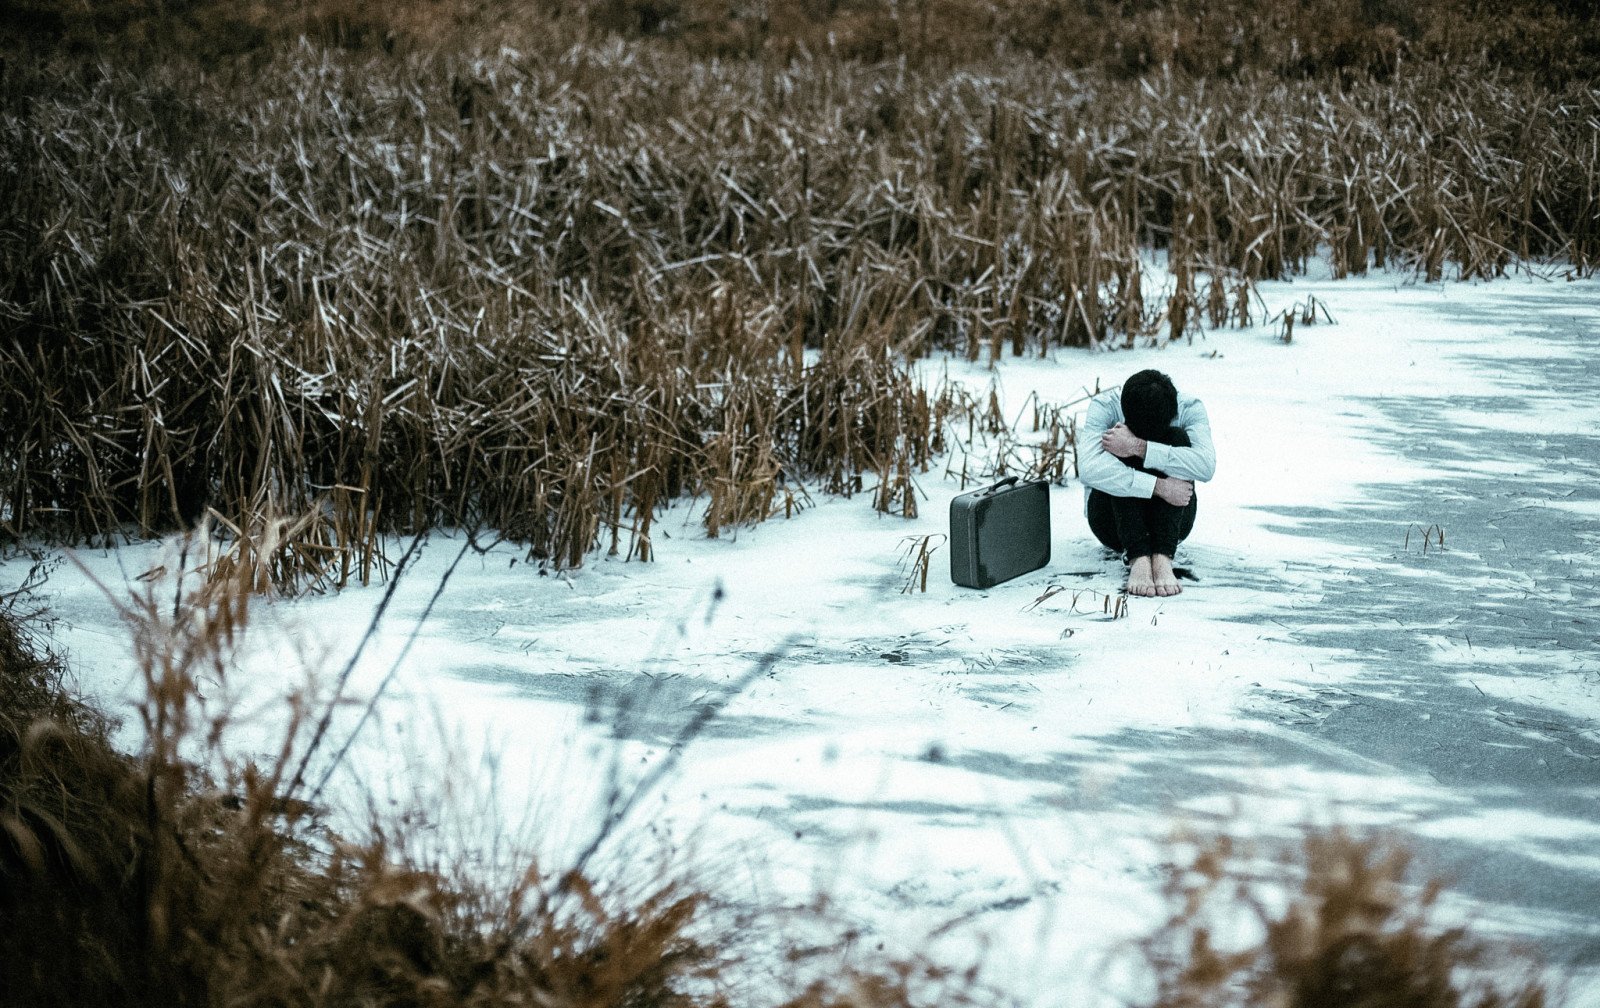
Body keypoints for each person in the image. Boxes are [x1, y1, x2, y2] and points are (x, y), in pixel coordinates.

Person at [1079, 369, 1215, 597]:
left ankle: (1162, 557)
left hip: (1174, 524)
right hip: (1111, 523)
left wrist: (1138, 446)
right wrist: (1159, 487)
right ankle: (1138, 558)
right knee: (1115, 440)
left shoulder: (1189, 408)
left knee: (1178, 439)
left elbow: (1205, 467)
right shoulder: (1105, 407)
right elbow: (1088, 469)